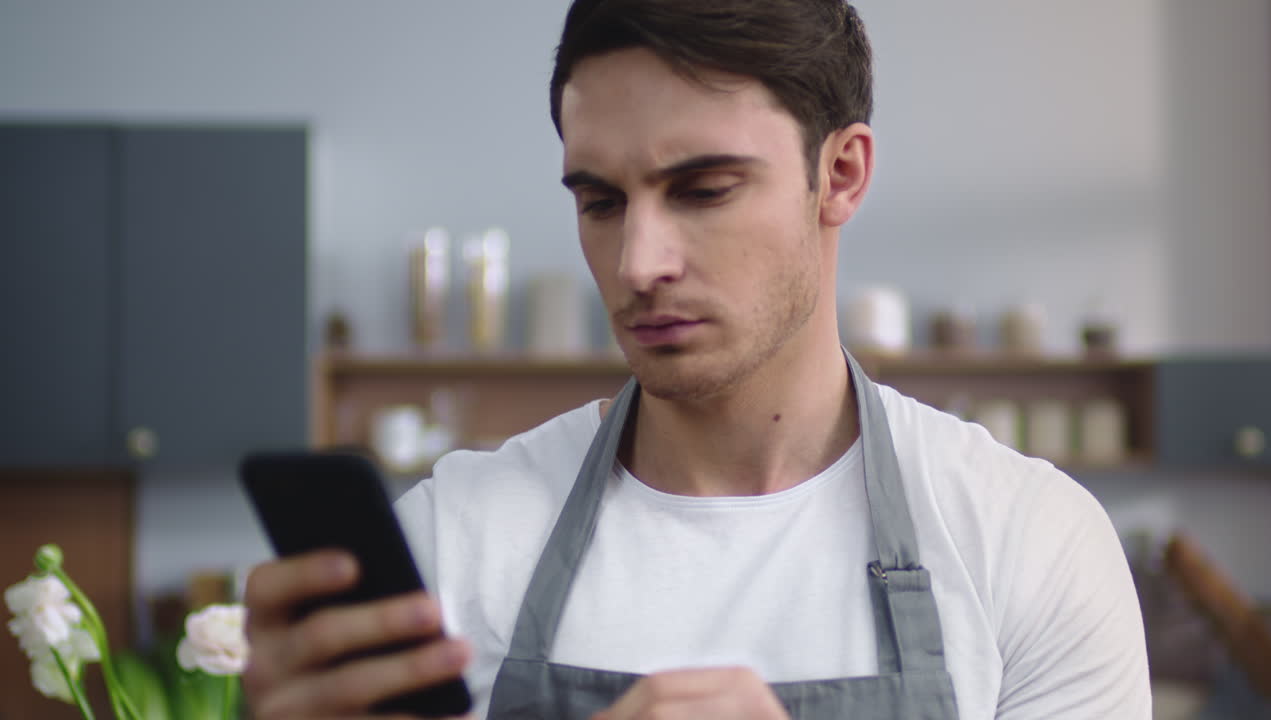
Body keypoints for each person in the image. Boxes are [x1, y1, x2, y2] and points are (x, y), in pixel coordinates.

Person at [242, 1, 1152, 718]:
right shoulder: (452, 544)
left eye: (703, 190)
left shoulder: (1030, 546)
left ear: (840, 176)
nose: (638, 264)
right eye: (600, 202)